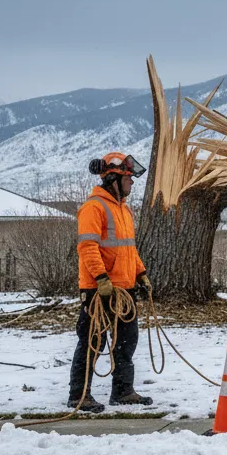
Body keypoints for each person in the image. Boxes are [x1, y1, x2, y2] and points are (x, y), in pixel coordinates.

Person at [68, 152, 154, 412]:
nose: (132, 183)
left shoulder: (123, 210)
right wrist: (101, 278)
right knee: (93, 341)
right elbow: (87, 247)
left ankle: (123, 391)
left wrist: (141, 273)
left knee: (127, 339)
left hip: (124, 288)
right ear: (114, 178)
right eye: (128, 178)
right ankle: (79, 395)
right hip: (99, 289)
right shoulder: (94, 207)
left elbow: (128, 249)